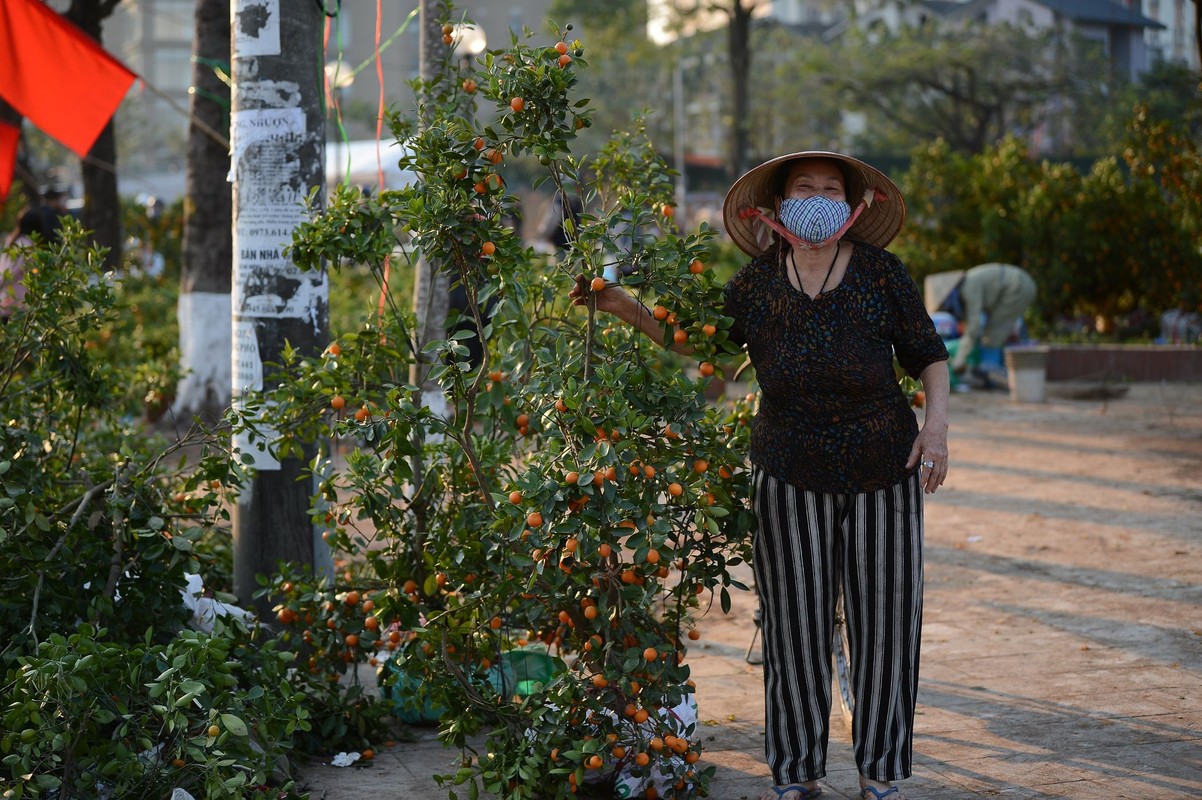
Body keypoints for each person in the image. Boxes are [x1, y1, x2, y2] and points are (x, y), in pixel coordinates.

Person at [572, 151, 949, 800]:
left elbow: (929, 357)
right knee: (793, 627)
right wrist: (622, 305)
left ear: (856, 205)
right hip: (787, 469)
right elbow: (698, 339)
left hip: (883, 465)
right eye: (806, 188)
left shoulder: (883, 274)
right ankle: (798, 774)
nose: (820, 197)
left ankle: (880, 774)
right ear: (775, 208)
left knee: (886, 625)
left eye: (833, 189)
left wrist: (937, 427)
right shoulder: (755, 284)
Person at [943, 263, 1036, 382]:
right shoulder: (968, 283)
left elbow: (973, 327)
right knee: (996, 332)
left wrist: (959, 361)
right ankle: (1009, 372)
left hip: (1018, 287)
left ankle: (992, 372)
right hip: (1020, 285)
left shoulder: (968, 287)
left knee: (992, 335)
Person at [1, 209, 48, 322]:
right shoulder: (26, 246)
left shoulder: (13, 240)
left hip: (7, 298)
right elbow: (11, 271)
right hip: (18, 301)